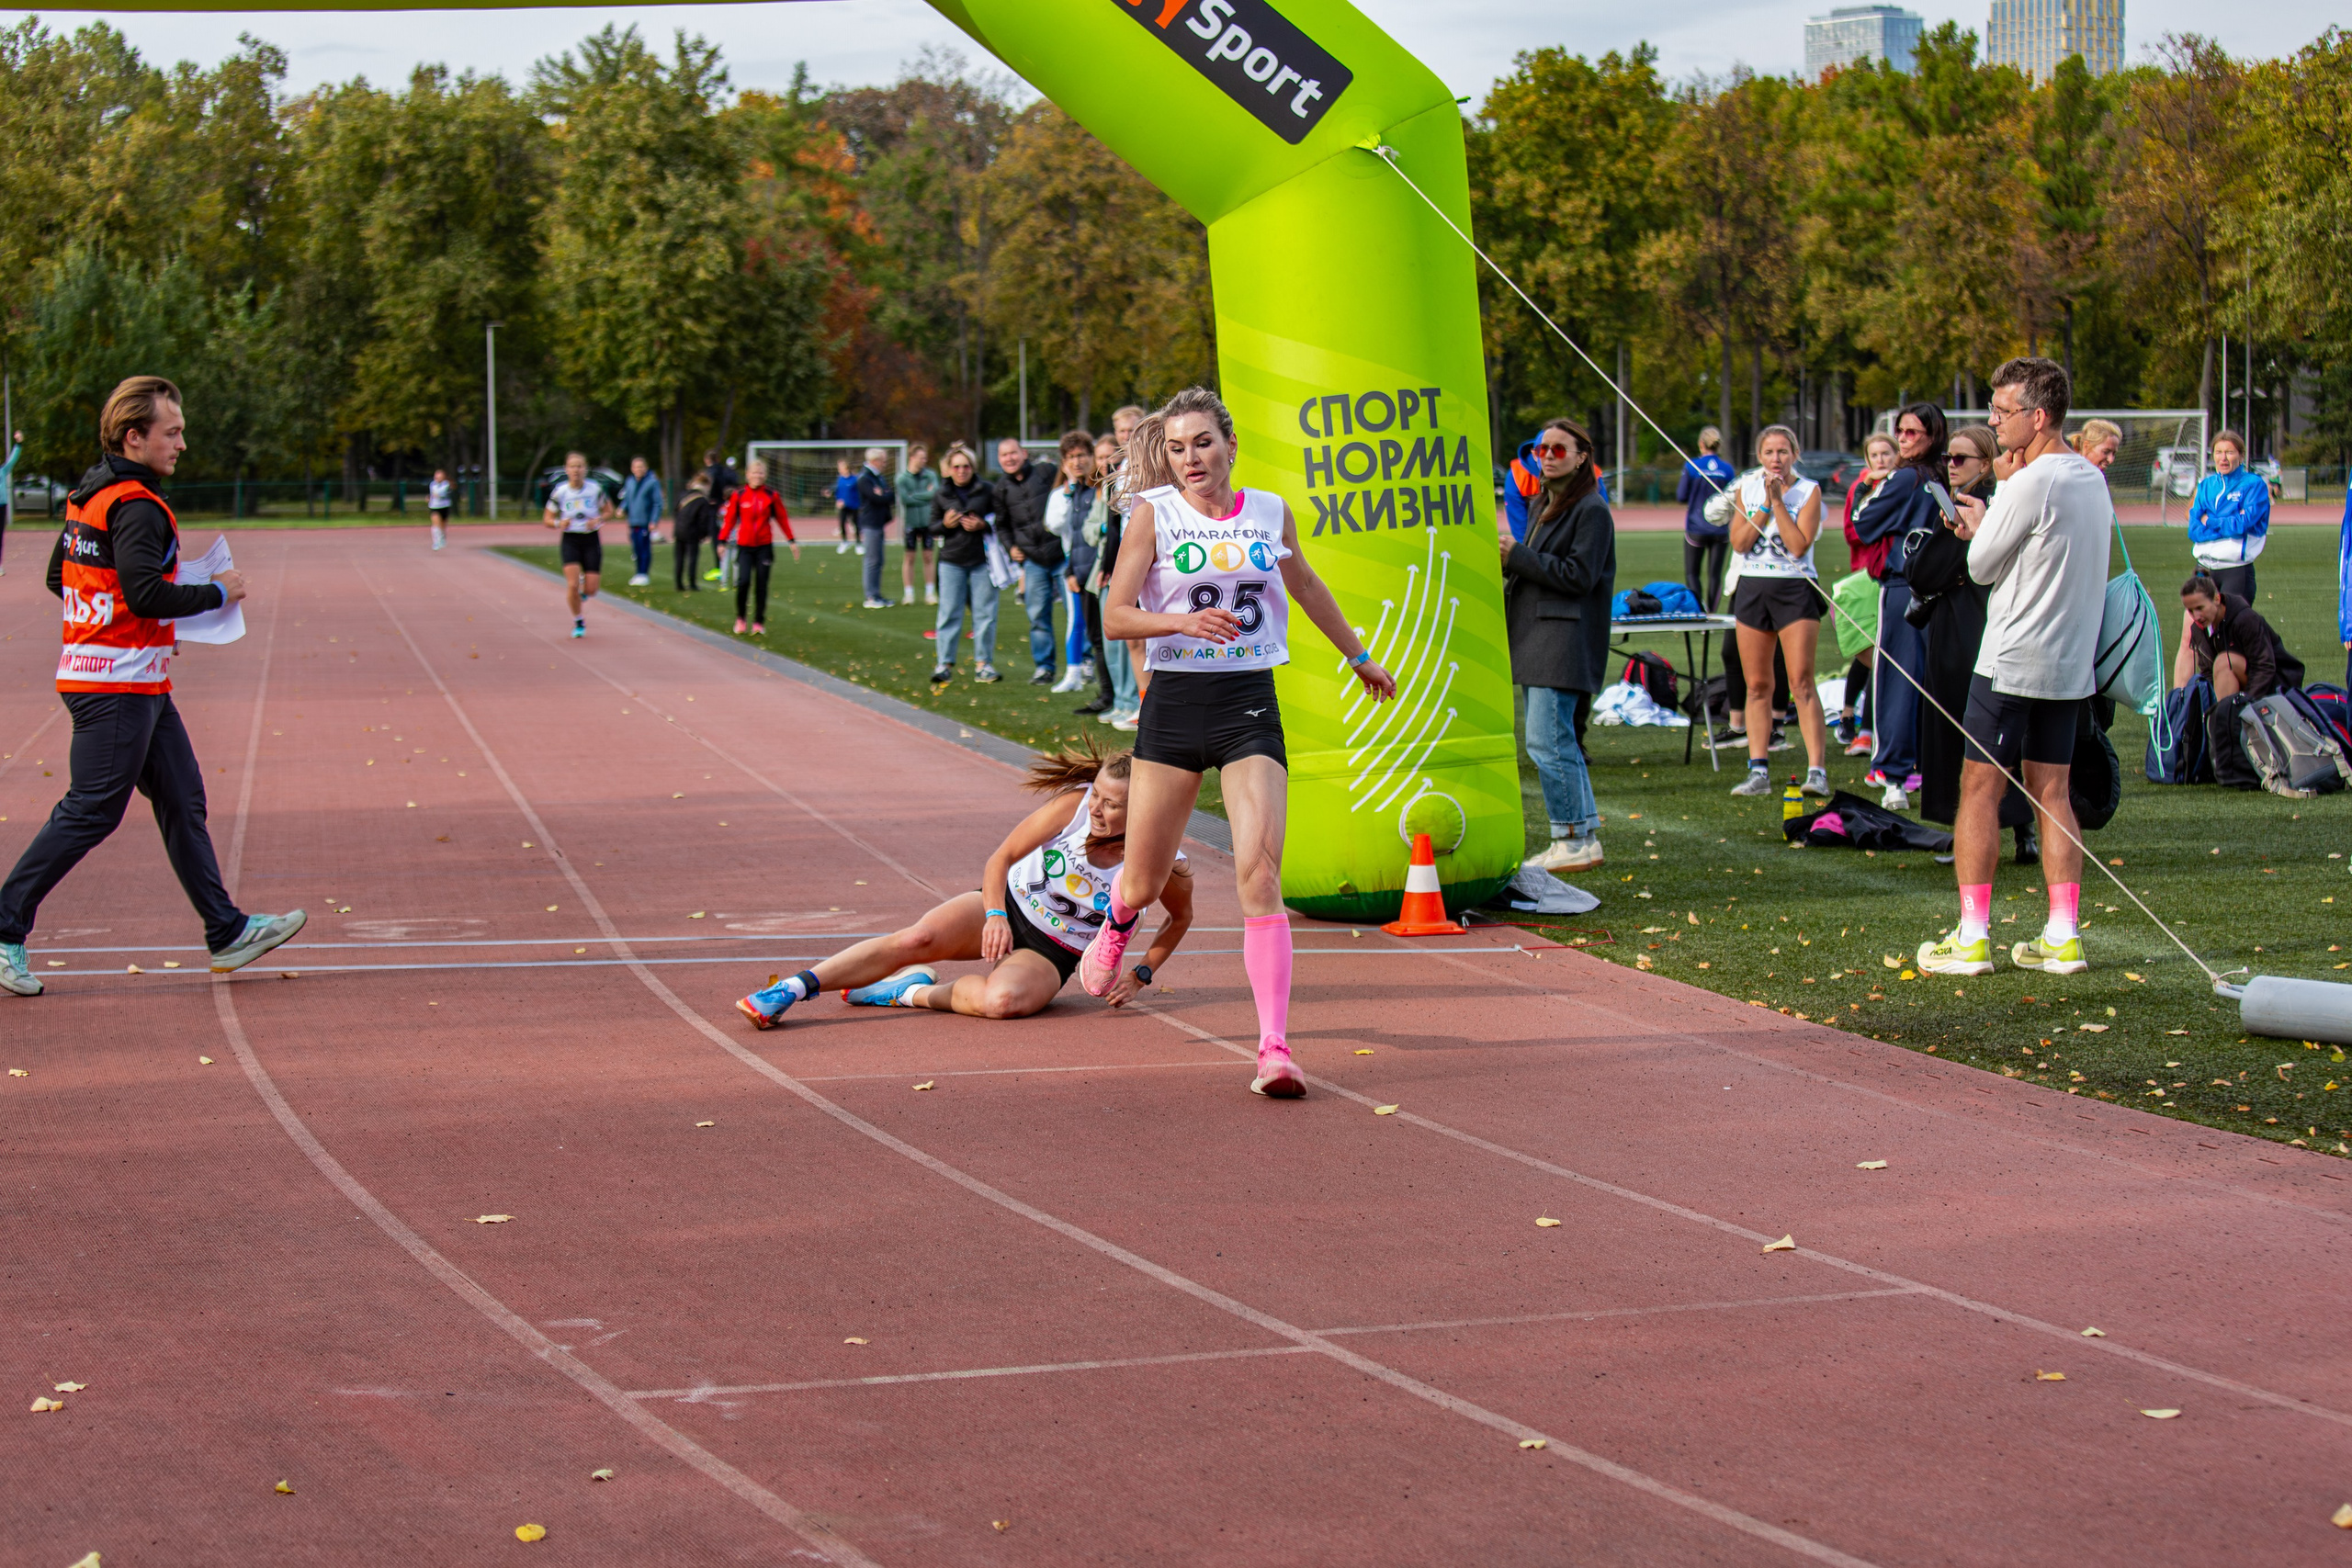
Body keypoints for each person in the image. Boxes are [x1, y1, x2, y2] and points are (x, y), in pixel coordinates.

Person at [1089, 387, 1396, 1099]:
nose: (1189, 458)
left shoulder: (1268, 510)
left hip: (1248, 702)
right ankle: (1120, 919)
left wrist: (1357, 655)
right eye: (1175, 447)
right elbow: (1114, 616)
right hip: (1173, 707)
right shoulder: (1153, 515)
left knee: (1258, 872)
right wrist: (1180, 625)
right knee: (1140, 878)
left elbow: (1306, 582)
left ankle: (1274, 1048)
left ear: (1229, 444)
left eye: (1201, 442)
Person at [1, 377, 304, 998]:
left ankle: (226, 930)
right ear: (134, 436)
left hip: (127, 678)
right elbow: (144, 593)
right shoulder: (137, 504)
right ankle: (4, 925)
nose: (182, 443)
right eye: (172, 431)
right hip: (114, 686)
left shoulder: (91, 493)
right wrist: (220, 592)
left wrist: (116, 619)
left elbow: (65, 576)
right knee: (92, 809)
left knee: (182, 798)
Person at [735, 742, 1192, 1028]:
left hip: (1055, 949)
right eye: (1096, 794)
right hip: (1005, 904)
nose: (1096, 809)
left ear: (1145, 812)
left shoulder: (1159, 861)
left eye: (1112, 806)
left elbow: (1180, 918)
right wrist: (995, 914)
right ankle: (790, 990)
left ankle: (907, 992)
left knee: (1003, 1002)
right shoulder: (1071, 809)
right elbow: (1002, 859)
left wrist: (1141, 974)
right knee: (917, 937)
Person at [1918, 356, 2110, 978]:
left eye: (2004, 411)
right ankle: (2062, 935)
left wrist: (1984, 515)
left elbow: (1981, 565)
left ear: (2040, 415)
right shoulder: (2090, 477)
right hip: (2067, 661)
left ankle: (1972, 936)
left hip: (2012, 658)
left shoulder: (2032, 481)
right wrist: (1995, 513)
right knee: (2051, 792)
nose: (1995, 422)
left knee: (1978, 789)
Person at [1903, 425, 2037, 857]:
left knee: (1969, 734)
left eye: (1961, 459)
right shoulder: (1981, 504)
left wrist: (1946, 541)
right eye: (1948, 459)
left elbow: (1925, 572)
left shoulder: (1975, 507)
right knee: (2001, 734)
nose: (1951, 466)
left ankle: (1979, 832)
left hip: (1974, 632)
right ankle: (2021, 829)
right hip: (1979, 629)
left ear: (1986, 462)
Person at [1502, 417, 1615, 873]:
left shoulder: (1591, 509)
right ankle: (1581, 834)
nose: (1547, 456)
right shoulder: (1543, 503)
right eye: (1542, 450)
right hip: (1541, 637)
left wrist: (1519, 557)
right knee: (1556, 740)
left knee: (1547, 742)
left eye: (1558, 449)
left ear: (1582, 457)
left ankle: (1570, 837)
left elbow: (1578, 576)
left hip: (1562, 639)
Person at [1851, 404, 1949, 810]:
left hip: (1908, 587)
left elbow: (1862, 522)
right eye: (1901, 432)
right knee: (1935, 681)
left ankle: (1894, 775)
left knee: (1898, 682)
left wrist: (1873, 493)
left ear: (1933, 435)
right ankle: (1931, 771)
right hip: (1949, 587)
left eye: (1913, 432)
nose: (1904, 439)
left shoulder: (1906, 477)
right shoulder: (1947, 475)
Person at [1725, 425, 1829, 800]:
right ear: (1759, 456)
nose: (1776, 459)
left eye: (1783, 452)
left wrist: (1781, 503)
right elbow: (1739, 542)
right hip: (1753, 589)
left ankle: (1816, 771)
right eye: (1769, 452)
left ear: (1794, 454)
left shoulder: (1809, 491)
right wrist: (1765, 503)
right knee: (1757, 686)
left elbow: (1798, 545)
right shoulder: (1747, 488)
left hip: (1794, 589)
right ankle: (1758, 770)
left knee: (1800, 681)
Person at [2178, 572, 2304, 790]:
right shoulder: (2198, 630)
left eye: (2200, 607)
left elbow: (2265, 666)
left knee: (2223, 664)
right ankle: (2226, 741)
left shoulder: (2246, 618)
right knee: (2218, 668)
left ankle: (2232, 737)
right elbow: (2207, 673)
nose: (2196, 615)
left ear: (2217, 599)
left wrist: (2247, 705)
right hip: (2240, 687)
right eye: (2190, 610)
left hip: (2277, 685)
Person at [2178, 430, 2271, 689]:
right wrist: (2222, 522)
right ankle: (2180, 708)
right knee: (2190, 636)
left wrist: (2213, 520)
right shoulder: (2206, 485)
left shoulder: (2253, 485)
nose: (2224, 457)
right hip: (2203, 570)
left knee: (2229, 642)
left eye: (2230, 452)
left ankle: (2230, 711)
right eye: (2219, 452)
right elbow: (2194, 529)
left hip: (2235, 571)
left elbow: (2244, 524)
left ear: (2241, 455)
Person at [1834, 433, 1900, 754]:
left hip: (1894, 577)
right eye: (1874, 455)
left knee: (1881, 651)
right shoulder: (1861, 488)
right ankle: (1852, 717)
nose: (1881, 460)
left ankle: (1867, 729)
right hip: (1865, 576)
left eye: (1886, 453)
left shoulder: (1903, 485)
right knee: (1866, 649)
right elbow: (1852, 532)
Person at [930, 444, 1003, 684]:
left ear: (973, 468)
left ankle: (984, 664)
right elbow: (931, 528)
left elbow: (1001, 521)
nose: (962, 471)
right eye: (957, 467)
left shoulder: (987, 490)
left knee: (985, 613)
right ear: (949, 470)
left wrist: (983, 525)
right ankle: (944, 663)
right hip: (951, 560)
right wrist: (946, 525)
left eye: (966, 466)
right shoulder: (941, 494)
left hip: (982, 560)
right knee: (949, 612)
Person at [997, 436, 1062, 683]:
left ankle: (1085, 663)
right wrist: (1010, 546)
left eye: (1013, 453)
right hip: (1033, 561)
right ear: (999, 460)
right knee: (1037, 616)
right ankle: (1045, 667)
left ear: (1024, 453)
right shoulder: (1001, 488)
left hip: (1061, 555)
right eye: (1004, 455)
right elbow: (1001, 524)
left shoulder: (1045, 472)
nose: (1010, 458)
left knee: (1077, 614)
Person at [1076, 433, 1125, 719]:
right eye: (1101, 457)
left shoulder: (1120, 486)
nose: (1105, 462)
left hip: (1114, 571)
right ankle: (1118, 698)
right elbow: (1087, 531)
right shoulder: (1100, 491)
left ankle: (1128, 701)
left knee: (1125, 644)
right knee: (1104, 638)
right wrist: (1104, 528)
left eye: (1111, 455)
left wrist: (1107, 528)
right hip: (1097, 573)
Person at [1046, 431, 1100, 695]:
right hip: (1074, 564)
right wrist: (1067, 496)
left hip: (1101, 563)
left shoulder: (1100, 488)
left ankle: (1099, 672)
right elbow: (1055, 525)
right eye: (1071, 458)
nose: (1077, 462)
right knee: (1076, 619)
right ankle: (1073, 671)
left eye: (1081, 455)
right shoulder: (1061, 494)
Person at [722, 458, 799, 636]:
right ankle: (741, 618)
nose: (757, 476)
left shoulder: (772, 496)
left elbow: (782, 518)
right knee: (743, 582)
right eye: (754, 473)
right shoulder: (739, 495)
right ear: (748, 475)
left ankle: (758, 622)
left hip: (764, 546)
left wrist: (792, 541)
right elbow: (730, 519)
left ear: (765, 475)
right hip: (744, 546)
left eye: (761, 473)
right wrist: (722, 541)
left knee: (762, 585)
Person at [542, 451, 613, 637]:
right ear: (566, 469)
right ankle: (578, 620)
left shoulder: (595, 489)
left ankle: (584, 588)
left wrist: (597, 520)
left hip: (590, 538)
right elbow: (547, 519)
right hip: (570, 539)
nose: (576, 470)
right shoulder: (560, 491)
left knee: (591, 589)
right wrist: (559, 523)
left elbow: (608, 511)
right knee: (572, 585)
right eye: (572, 466)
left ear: (585, 469)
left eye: (580, 466)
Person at [1676, 426, 1736, 611]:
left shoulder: (1691, 466)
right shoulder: (1727, 469)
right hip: (1720, 530)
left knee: (1692, 573)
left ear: (1701, 444)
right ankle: (1712, 613)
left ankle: (1699, 612)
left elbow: (1681, 496)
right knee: (1715, 574)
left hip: (1696, 529)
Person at [897, 443, 940, 607]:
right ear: (912, 458)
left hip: (928, 521)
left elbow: (934, 494)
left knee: (929, 556)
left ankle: (930, 592)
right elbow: (905, 499)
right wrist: (925, 495)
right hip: (911, 522)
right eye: (921, 458)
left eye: (925, 458)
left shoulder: (930, 475)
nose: (924, 461)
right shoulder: (902, 478)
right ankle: (909, 593)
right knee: (909, 557)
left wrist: (916, 495)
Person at [853, 446, 896, 609]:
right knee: (872, 560)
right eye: (883, 461)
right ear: (875, 461)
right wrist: (882, 495)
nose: (885, 464)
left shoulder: (877, 477)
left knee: (879, 560)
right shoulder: (865, 478)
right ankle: (870, 596)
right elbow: (875, 498)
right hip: (870, 523)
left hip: (878, 523)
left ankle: (876, 594)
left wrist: (883, 494)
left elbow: (890, 495)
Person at [619, 455, 665, 588]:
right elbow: (627, 499)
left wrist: (654, 520)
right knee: (636, 548)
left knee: (644, 548)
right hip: (633, 521)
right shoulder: (630, 481)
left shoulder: (652, 482)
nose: (638, 469)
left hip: (645, 521)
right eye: (636, 467)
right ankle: (638, 572)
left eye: (641, 467)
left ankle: (644, 573)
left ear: (645, 468)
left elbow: (657, 503)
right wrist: (622, 509)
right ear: (632, 469)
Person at [673, 473, 717, 592]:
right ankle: (692, 583)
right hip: (692, 532)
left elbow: (676, 510)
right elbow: (703, 519)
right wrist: (704, 534)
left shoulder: (684, 494)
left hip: (679, 530)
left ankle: (678, 583)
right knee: (692, 558)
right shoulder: (702, 500)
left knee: (679, 558)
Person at [701, 447, 739, 583]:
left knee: (718, 538)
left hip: (713, 509)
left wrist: (709, 498)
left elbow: (708, 488)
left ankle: (719, 568)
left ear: (707, 460)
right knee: (727, 534)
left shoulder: (710, 473)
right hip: (725, 506)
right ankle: (727, 570)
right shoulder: (726, 471)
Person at [831, 457, 859, 556]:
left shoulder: (855, 479)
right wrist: (837, 500)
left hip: (854, 505)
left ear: (846, 467)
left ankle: (858, 544)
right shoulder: (839, 479)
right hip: (843, 507)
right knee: (842, 523)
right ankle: (844, 542)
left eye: (841, 466)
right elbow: (838, 492)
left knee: (856, 524)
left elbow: (857, 493)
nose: (839, 468)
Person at [425, 466, 453, 552]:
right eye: (436, 476)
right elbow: (432, 494)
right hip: (434, 506)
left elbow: (442, 493)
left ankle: (442, 537)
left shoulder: (446, 484)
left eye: (439, 476)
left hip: (444, 506)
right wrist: (429, 497)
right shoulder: (432, 484)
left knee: (442, 525)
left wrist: (437, 495)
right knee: (435, 523)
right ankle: (436, 542)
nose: (437, 478)